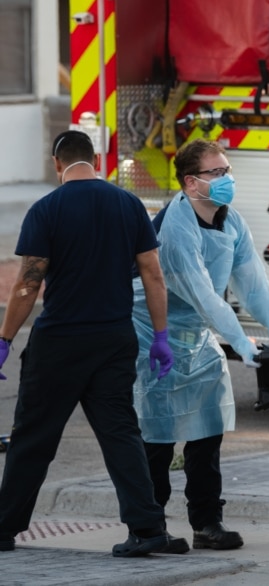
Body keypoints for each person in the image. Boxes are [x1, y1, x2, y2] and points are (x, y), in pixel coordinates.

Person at [0, 129, 175, 557]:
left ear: (56, 164)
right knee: (121, 433)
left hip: (59, 342)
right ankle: (147, 528)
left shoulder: (46, 209)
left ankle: (4, 528)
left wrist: (4, 339)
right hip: (114, 339)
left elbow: (28, 284)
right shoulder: (129, 204)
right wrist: (161, 336)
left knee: (33, 437)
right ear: (96, 160)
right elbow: (153, 273)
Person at [131, 138, 269, 552]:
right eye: (216, 173)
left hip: (197, 335)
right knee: (157, 437)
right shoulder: (175, 228)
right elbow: (203, 295)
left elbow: (254, 287)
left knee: (208, 431)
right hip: (154, 335)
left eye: (227, 170)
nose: (226, 178)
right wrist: (241, 342)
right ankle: (149, 526)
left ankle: (207, 523)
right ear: (190, 182)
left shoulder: (231, 221)